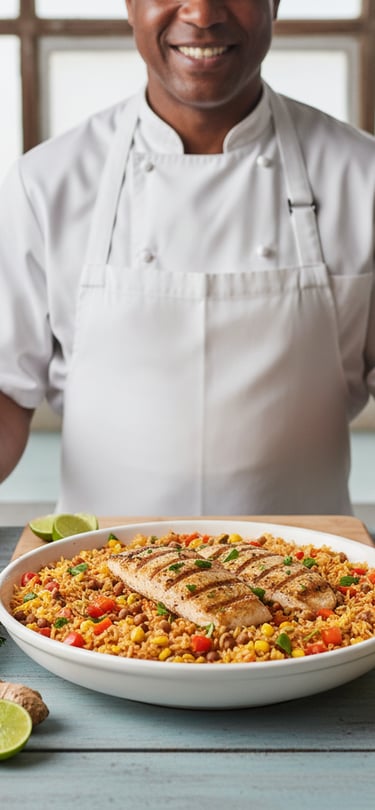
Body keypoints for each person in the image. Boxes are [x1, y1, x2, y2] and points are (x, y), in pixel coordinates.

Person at [0, 0, 374, 516]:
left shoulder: (363, 178)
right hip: (98, 565)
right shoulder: (45, 183)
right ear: (130, 4)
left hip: (312, 564)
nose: (201, 13)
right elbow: (6, 392)